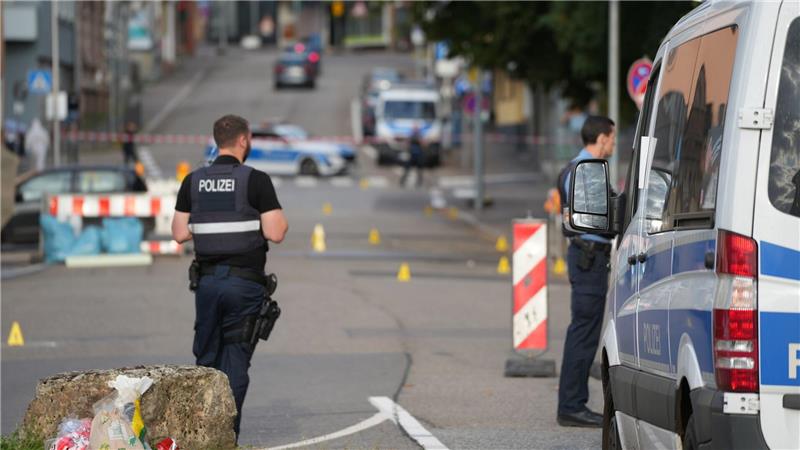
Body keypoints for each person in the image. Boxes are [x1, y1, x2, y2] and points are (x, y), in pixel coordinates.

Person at [171, 114, 288, 437]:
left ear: (216, 140)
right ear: (243, 140)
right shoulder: (256, 180)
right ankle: (224, 437)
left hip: (207, 284)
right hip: (244, 284)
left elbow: (180, 233)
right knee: (235, 362)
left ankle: (200, 433)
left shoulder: (193, 181)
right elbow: (276, 232)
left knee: (207, 359)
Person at [556, 115, 616, 428]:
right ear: (603, 137)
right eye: (612, 138)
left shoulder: (574, 167)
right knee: (583, 334)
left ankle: (571, 403)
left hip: (584, 256)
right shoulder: (589, 171)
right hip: (590, 258)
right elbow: (601, 219)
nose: (614, 144)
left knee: (582, 331)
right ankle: (571, 406)